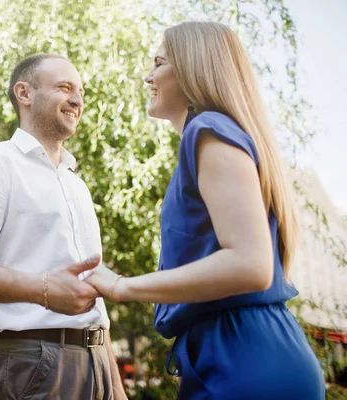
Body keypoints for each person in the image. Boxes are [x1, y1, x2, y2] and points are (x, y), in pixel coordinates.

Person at [86, 22, 325, 399]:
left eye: (159, 62)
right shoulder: (215, 136)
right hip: (240, 353)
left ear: (192, 68)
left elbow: (250, 264)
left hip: (243, 360)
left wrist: (121, 286)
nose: (148, 76)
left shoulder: (208, 130)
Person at [0, 53, 126, 399]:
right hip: (35, 360)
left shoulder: (76, 184)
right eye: (65, 87)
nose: (77, 100)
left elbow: (92, 300)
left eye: (81, 92)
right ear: (24, 93)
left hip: (97, 363)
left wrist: (115, 386)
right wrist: (43, 288)